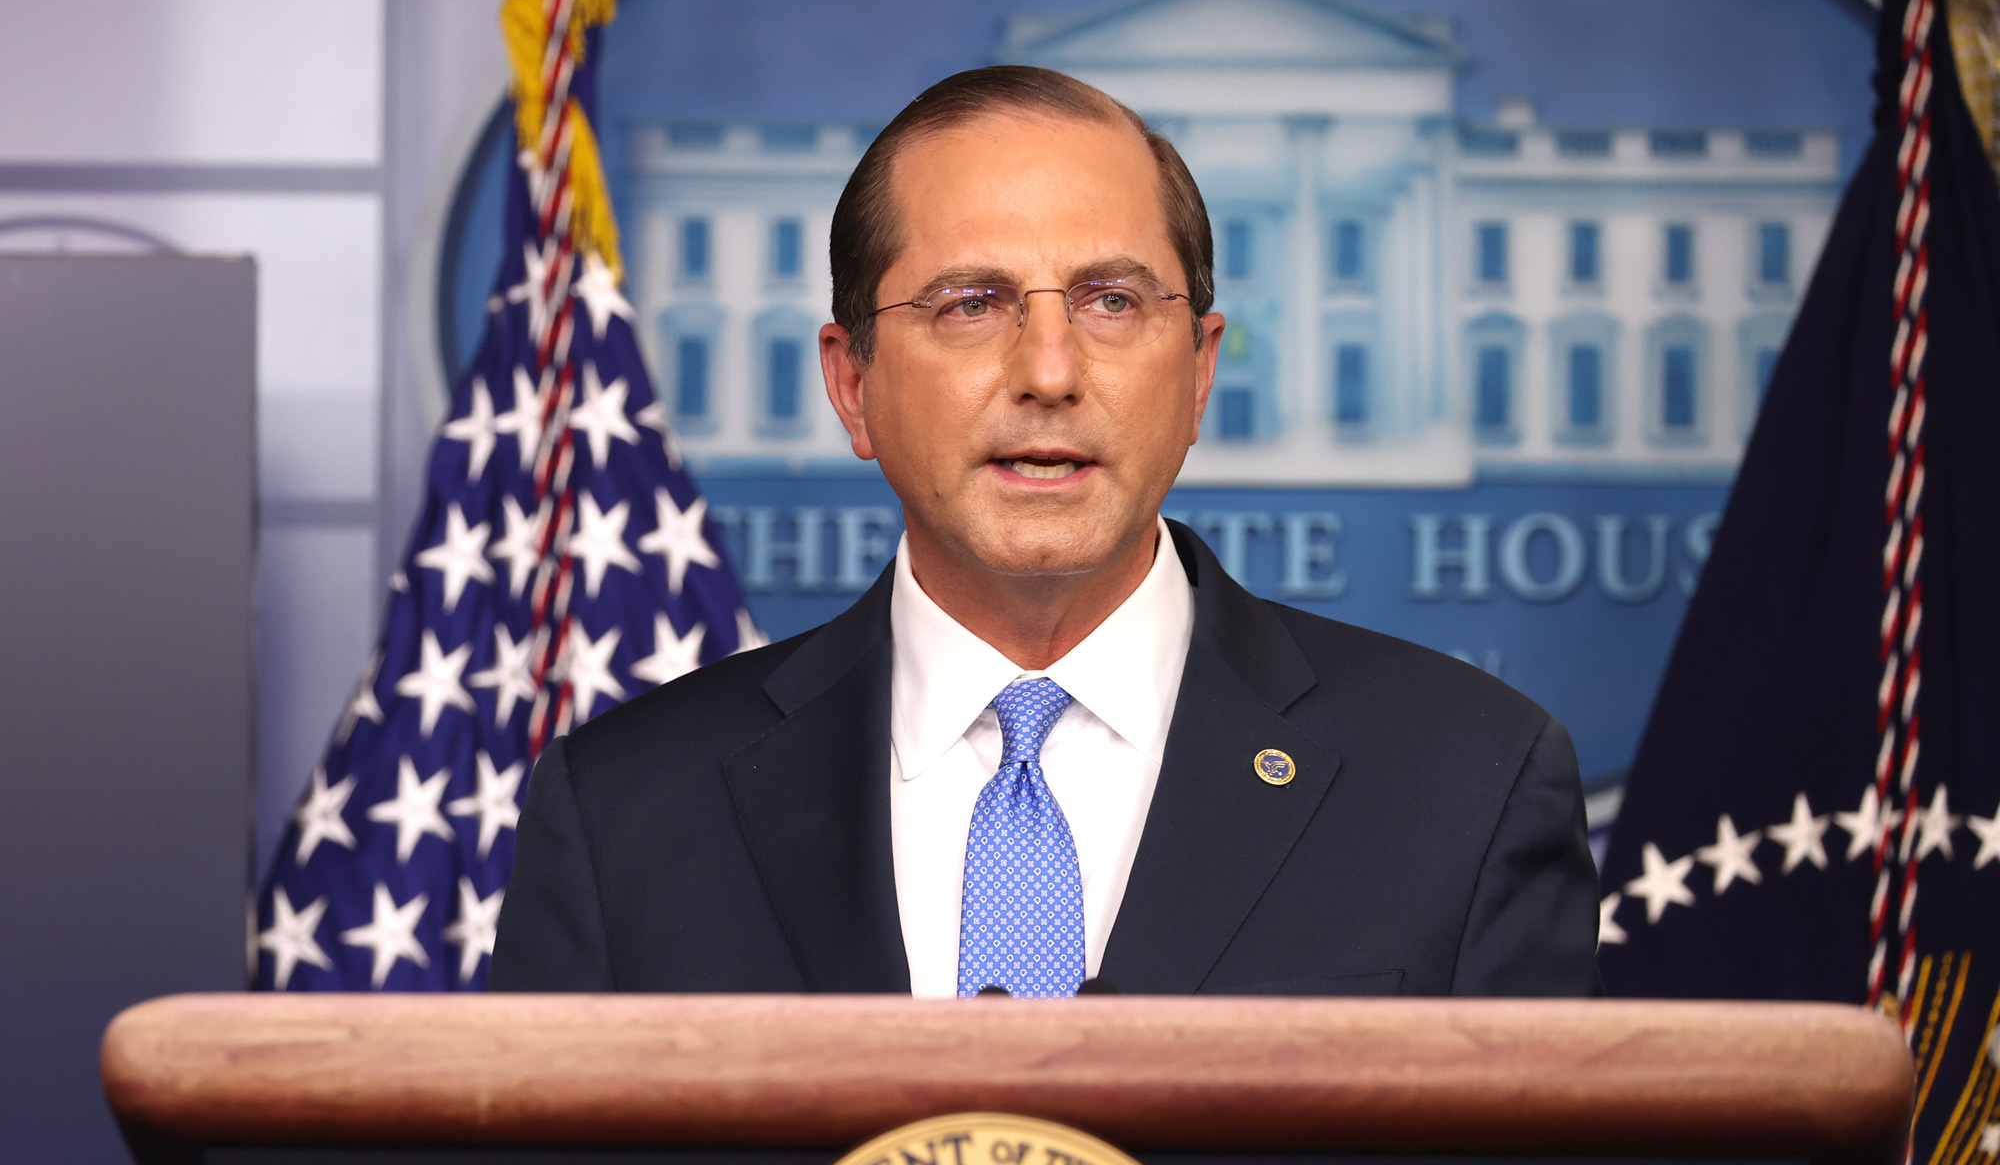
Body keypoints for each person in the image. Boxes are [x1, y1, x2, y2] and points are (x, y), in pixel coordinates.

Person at [492, 66, 1601, 998]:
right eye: (969, 302)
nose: (1049, 372)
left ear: (1200, 370)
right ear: (852, 384)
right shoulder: (625, 814)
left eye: (1111, 301)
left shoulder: (1466, 787)